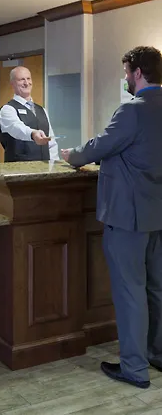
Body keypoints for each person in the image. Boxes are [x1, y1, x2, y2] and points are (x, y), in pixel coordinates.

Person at [61, 46, 162, 389]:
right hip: (158, 215)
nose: (125, 78)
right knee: (156, 288)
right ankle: (157, 353)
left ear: (137, 73)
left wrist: (72, 155)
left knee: (131, 291)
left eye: (127, 72)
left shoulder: (132, 110)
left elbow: (101, 146)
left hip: (128, 216)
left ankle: (134, 368)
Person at [0, 66, 59, 162]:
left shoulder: (42, 110)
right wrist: (33, 134)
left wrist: (55, 164)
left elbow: (51, 142)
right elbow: (17, 128)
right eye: (21, 79)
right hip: (18, 168)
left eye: (28, 78)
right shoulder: (7, 110)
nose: (26, 83)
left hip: (44, 168)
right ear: (12, 83)